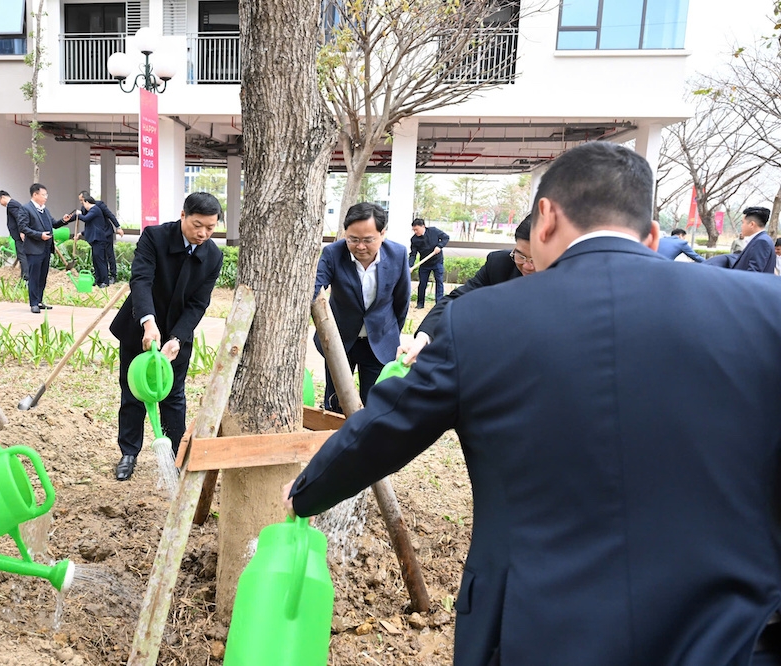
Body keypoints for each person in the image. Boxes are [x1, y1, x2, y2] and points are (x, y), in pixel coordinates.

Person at [284, 142, 781, 666]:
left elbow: (385, 429)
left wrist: (309, 491)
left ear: (544, 219)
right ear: (652, 235)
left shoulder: (479, 323)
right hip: (730, 637)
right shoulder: (767, 312)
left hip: (535, 631)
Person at [109, 193, 224, 481]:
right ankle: (129, 452)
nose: (203, 233)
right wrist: (149, 324)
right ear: (183, 215)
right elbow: (141, 280)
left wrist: (177, 338)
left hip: (177, 335)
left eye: (210, 228)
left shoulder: (213, 255)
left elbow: (198, 303)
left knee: (174, 395)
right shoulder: (155, 237)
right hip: (140, 326)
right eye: (197, 225)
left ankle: (174, 454)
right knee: (133, 391)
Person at [313, 202, 410, 412]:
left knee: (375, 404)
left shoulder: (398, 255)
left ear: (383, 234)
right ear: (345, 233)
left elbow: (402, 301)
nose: (360, 246)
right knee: (335, 402)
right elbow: (315, 289)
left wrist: (389, 333)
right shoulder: (332, 253)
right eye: (353, 239)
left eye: (368, 240)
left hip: (379, 343)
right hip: (340, 341)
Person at [399, 215, 534, 365]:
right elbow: (456, 300)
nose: (527, 266)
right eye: (520, 256)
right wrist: (423, 338)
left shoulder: (563, 279)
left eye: (535, 259)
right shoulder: (500, 264)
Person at [20, 183, 70, 314]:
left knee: (42, 276)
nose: (46, 197)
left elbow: (53, 224)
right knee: (34, 276)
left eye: (46, 194)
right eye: (43, 194)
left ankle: (40, 301)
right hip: (34, 248)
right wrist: (39, 235)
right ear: (35, 194)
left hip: (46, 248)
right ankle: (33, 303)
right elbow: (23, 228)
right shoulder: (26, 209)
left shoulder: (44, 210)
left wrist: (63, 221)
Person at [77, 190, 123, 281]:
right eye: (80, 201)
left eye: (82, 200)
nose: (81, 203)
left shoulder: (99, 205)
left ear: (86, 199)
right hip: (96, 235)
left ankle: (113, 275)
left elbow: (110, 215)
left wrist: (118, 227)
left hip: (106, 232)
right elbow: (88, 223)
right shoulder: (83, 209)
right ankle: (100, 277)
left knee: (109, 254)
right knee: (98, 256)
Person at [408, 218, 450, 309]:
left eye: (417, 229)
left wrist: (439, 246)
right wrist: (409, 266)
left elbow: (446, 237)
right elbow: (413, 254)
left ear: (423, 226)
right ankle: (420, 303)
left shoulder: (433, 231)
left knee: (439, 281)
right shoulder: (414, 240)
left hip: (437, 261)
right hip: (424, 264)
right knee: (422, 283)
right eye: (414, 230)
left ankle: (439, 303)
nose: (415, 232)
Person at [74, 195, 113, 288]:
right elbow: (91, 226)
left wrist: (79, 214)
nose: (83, 206)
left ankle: (105, 281)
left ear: (87, 202)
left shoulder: (95, 209)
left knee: (100, 260)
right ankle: (98, 280)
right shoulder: (93, 211)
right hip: (95, 239)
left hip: (99, 239)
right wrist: (81, 233)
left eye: (83, 203)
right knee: (95, 260)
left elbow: (85, 218)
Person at [0, 190, 30, 281]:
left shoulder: (11, 204)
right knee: (21, 255)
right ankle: (24, 276)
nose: (1, 204)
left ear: (3, 197)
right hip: (18, 235)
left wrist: (22, 231)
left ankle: (26, 278)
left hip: (19, 235)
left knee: (22, 255)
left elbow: (19, 218)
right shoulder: (14, 204)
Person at [732, 206, 776, 274]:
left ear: (752, 224)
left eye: (743, 223)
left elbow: (753, 273)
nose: (741, 226)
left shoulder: (761, 241)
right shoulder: (762, 239)